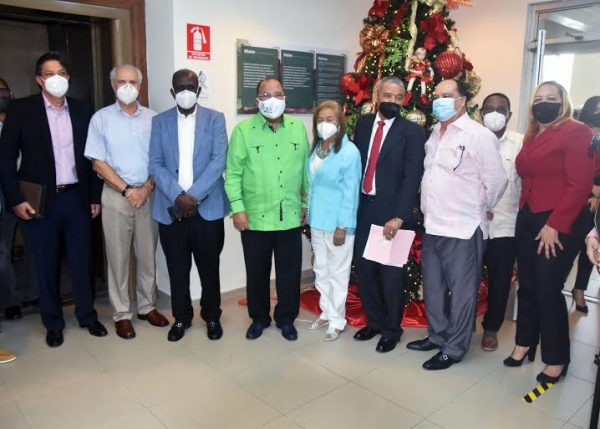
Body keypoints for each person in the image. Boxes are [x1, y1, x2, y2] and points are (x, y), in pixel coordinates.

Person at [0, 52, 108, 348]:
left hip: (76, 198)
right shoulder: (22, 110)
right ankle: (53, 322)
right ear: (39, 80)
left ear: (68, 77)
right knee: (45, 263)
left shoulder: (83, 110)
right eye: (49, 74)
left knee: (82, 260)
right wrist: (15, 199)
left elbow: (94, 156)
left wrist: (94, 196)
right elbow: (6, 158)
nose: (56, 78)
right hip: (39, 201)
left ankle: (87, 315)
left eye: (61, 72)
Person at [406, 79, 508, 370]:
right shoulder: (435, 135)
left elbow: (496, 181)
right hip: (434, 225)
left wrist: (479, 208)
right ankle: (437, 336)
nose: (439, 100)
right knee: (434, 287)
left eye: (447, 95)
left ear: (462, 100)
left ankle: (454, 347)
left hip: (463, 228)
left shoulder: (479, 136)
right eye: (436, 96)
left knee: (462, 293)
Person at [504, 81, 593, 384]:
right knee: (527, 285)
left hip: (558, 222)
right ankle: (524, 343)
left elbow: (580, 185)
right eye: (539, 99)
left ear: (563, 102)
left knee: (547, 288)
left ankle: (556, 358)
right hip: (528, 217)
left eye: (551, 98)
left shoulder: (575, 131)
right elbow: (524, 171)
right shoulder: (533, 133)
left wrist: (555, 224)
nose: (544, 103)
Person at [84, 65, 169, 340]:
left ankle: (147, 306)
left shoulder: (154, 119)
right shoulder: (101, 119)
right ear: (113, 85)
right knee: (118, 258)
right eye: (122, 81)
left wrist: (146, 188)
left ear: (140, 85)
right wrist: (126, 190)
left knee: (147, 256)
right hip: (116, 196)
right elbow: (97, 162)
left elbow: (161, 160)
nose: (128, 86)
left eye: (132, 81)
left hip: (149, 194)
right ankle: (121, 313)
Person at [225, 77, 309, 342]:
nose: (272, 99)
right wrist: (237, 209)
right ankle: (259, 318)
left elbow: (305, 171)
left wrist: (305, 204)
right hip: (255, 217)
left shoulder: (298, 128)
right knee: (257, 273)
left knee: (289, 273)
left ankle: (286, 319)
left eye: (278, 94)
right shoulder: (243, 131)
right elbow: (233, 173)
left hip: (290, 216)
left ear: (285, 98)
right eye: (266, 94)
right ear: (257, 100)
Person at [150, 69, 229, 342]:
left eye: (190, 86)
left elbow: (218, 161)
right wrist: (177, 196)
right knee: (177, 268)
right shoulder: (159, 122)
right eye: (180, 87)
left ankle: (212, 317)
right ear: (173, 92)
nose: (186, 91)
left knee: (209, 268)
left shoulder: (215, 119)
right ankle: (181, 318)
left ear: (198, 89)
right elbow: (155, 164)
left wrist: (192, 197)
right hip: (171, 210)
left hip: (206, 209)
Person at [352, 76, 426, 353]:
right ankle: (374, 322)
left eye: (398, 97)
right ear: (376, 96)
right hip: (364, 209)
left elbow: (412, 178)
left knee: (391, 276)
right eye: (388, 96)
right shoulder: (363, 124)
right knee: (366, 271)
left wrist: (399, 216)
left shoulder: (412, 132)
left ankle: (391, 330)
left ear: (404, 100)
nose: (392, 101)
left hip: (393, 215)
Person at [305, 100, 361, 341]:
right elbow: (312, 184)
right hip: (317, 221)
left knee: (338, 273)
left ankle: (338, 320)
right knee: (321, 269)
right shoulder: (316, 148)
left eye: (330, 120)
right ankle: (327, 312)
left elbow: (351, 193)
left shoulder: (349, 152)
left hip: (339, 224)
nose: (324, 124)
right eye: (320, 120)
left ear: (340, 123)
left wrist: (343, 225)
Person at [479, 93, 523, 351]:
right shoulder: (472, 138)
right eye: (489, 109)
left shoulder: (520, 143)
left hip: (506, 226)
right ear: (481, 112)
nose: (494, 113)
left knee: (500, 281)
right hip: (473, 224)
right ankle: (463, 323)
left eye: (500, 109)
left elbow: (525, 184)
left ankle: (491, 328)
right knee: (466, 279)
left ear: (509, 114)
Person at [563, 96, 600, 313]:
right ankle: (557, 287)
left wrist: (596, 193)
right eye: (595, 109)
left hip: (594, 208)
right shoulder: (578, 133)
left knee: (590, 250)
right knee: (569, 248)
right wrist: (592, 191)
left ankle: (580, 290)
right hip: (576, 200)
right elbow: (572, 170)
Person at [0, 78, 21, 321]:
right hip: (2, 198)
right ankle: (11, 301)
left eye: (3, 90)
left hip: (29, 193)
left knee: (39, 249)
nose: (1, 95)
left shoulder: (21, 122)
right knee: (3, 254)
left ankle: (37, 294)